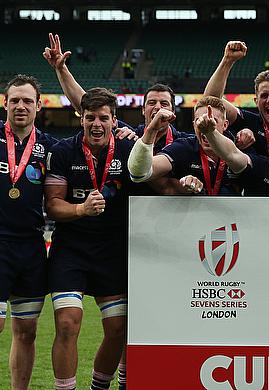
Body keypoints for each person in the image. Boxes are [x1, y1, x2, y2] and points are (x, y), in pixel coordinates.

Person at [44, 88, 135, 390]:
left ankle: (99, 387)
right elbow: (53, 204)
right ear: (80, 119)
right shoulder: (62, 151)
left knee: (118, 328)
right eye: (90, 117)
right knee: (68, 323)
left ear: (114, 120)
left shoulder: (128, 151)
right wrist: (82, 209)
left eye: (103, 118)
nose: (97, 124)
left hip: (112, 250)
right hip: (71, 249)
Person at [43, 33, 192, 155]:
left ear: (173, 111)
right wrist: (61, 69)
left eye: (164, 103)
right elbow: (86, 104)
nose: (158, 107)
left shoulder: (184, 143)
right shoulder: (129, 135)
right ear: (142, 109)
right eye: (151, 103)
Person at [0, 74, 57, 390]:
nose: (21, 106)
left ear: (38, 106)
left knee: (26, 331)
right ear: (5, 103)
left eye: (27, 101)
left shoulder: (51, 147)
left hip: (32, 247)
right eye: (15, 100)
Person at [128, 96, 241, 195]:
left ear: (225, 125)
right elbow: (140, 173)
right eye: (199, 121)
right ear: (193, 125)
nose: (204, 125)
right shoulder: (184, 147)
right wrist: (152, 129)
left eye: (212, 120)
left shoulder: (240, 146)